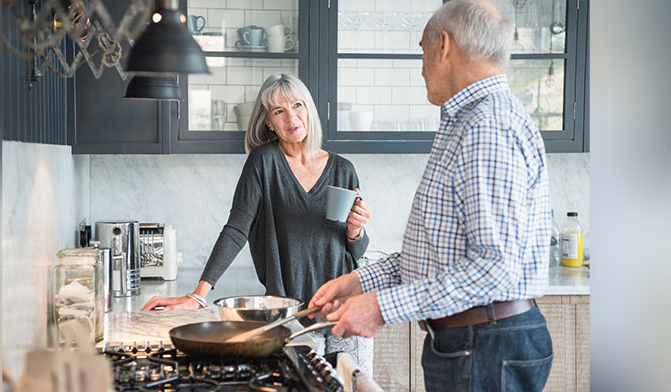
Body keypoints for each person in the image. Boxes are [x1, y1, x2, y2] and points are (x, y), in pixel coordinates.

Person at [308, 0, 553, 390]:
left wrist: (381, 308)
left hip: (485, 346)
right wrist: (360, 281)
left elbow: (494, 267)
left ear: (443, 46)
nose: (421, 65)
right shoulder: (469, 120)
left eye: (421, 49)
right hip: (472, 342)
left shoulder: (487, 126)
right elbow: (441, 251)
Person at [141, 72, 374, 374]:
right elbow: (237, 229)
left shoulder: (344, 169)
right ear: (268, 122)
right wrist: (199, 295)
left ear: (309, 109)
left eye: (298, 105)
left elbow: (354, 251)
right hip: (293, 317)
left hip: (346, 311)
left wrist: (357, 230)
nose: (292, 117)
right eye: (279, 111)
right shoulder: (263, 163)